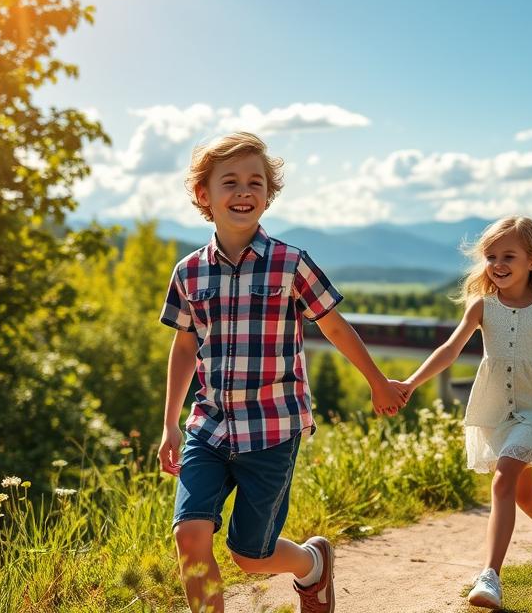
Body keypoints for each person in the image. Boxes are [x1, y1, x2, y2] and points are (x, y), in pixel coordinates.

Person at [157, 131, 406, 613]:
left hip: (272, 429)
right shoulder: (188, 272)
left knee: (251, 556)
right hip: (207, 427)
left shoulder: (290, 264)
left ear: (269, 194)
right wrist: (169, 423)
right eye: (230, 181)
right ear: (204, 195)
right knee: (190, 537)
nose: (244, 191)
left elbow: (334, 325)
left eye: (256, 181)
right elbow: (184, 344)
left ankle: (312, 564)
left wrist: (377, 381)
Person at [398, 216, 532, 609]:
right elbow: (450, 349)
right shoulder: (481, 305)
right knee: (523, 493)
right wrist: (410, 383)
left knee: (503, 481)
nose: (497, 264)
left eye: (508, 256)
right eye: (490, 256)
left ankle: (490, 577)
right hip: (495, 411)